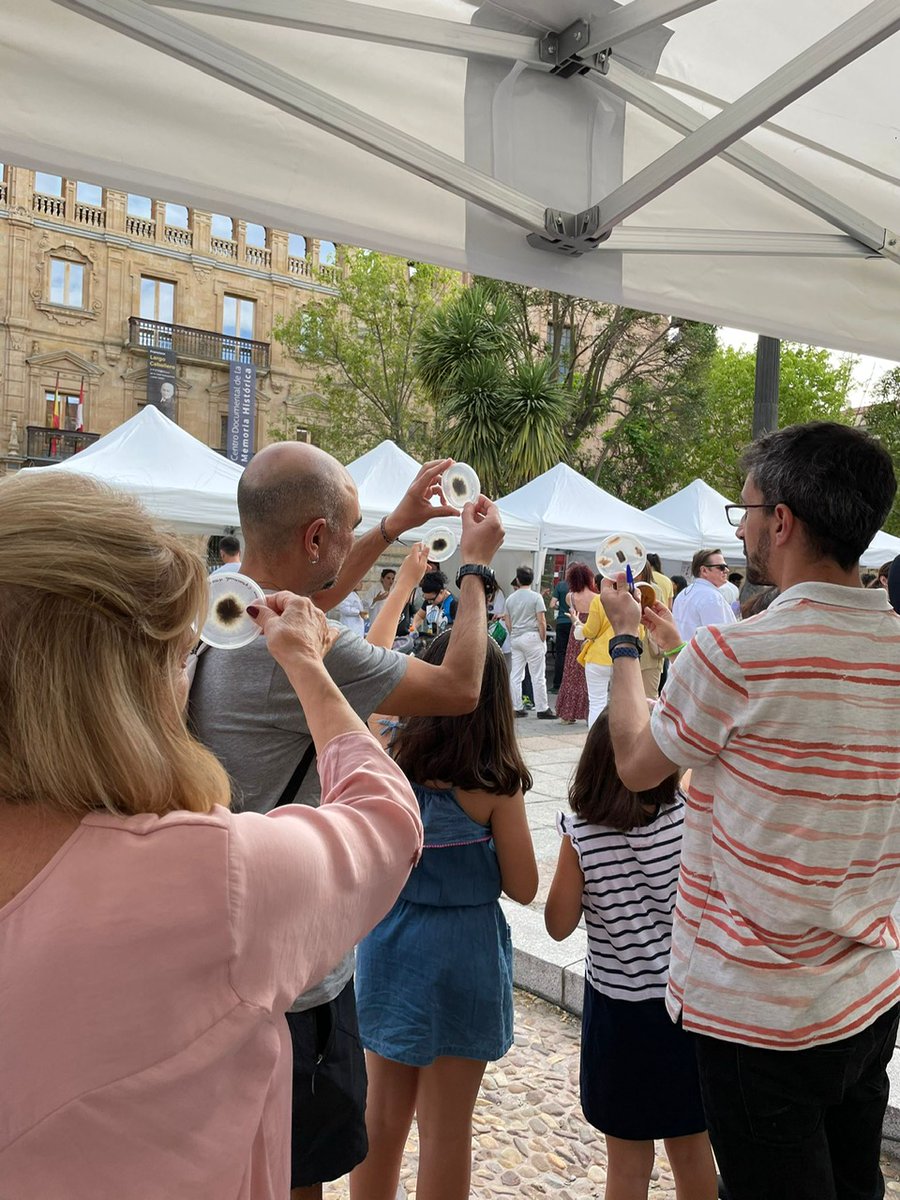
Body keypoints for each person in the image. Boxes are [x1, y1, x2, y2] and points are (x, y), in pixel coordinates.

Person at [0, 471, 425, 1200]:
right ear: (117, 681)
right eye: (173, 655)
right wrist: (307, 666)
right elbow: (388, 819)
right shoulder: (210, 875)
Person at [190, 442, 504, 1200]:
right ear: (315, 536)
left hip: (216, 951)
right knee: (297, 1175)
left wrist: (394, 523)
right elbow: (461, 686)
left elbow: (311, 601)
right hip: (296, 982)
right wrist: (473, 569)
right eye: (351, 525)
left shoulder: (217, 617)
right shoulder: (314, 661)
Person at [599, 421, 900, 1200]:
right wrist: (685, 653)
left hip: (758, 1015)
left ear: (783, 521)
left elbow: (635, 764)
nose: (742, 527)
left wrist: (627, 646)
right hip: (867, 994)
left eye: (747, 509)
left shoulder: (735, 658)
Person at [350, 631, 539, 1200]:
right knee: (447, 1132)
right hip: (466, 955)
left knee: (379, 1122)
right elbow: (525, 886)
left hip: (392, 944)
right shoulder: (495, 785)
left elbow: (372, 675)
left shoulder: (388, 758)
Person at [545, 711, 717, 1200]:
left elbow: (558, 926)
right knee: (692, 1148)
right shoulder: (686, 816)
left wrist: (573, 855)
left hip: (618, 1018)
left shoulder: (582, 835)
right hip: (684, 1008)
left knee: (626, 1162)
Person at [503, 565, 557, 720]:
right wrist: (542, 637)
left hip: (516, 637)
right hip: (532, 636)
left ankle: (516, 706)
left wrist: (513, 631)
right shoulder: (536, 597)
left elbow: (507, 620)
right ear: (532, 580)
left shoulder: (510, 598)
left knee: (516, 674)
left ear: (518, 580)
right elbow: (541, 620)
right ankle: (542, 708)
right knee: (538, 675)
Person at [555, 562, 597, 725]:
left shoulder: (570, 597)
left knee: (571, 673)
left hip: (576, 635)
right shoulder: (597, 598)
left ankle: (568, 713)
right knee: (589, 675)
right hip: (592, 635)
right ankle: (589, 713)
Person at [671, 548, 738, 641]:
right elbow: (720, 638)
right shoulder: (711, 597)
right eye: (721, 567)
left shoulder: (683, 594)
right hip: (702, 654)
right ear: (704, 571)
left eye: (726, 566)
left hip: (685, 652)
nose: (726, 570)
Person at [411, 570, 457, 642]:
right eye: (426, 599)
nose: (429, 602)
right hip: (430, 639)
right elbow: (419, 616)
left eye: (432, 600)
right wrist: (413, 628)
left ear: (441, 592)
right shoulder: (429, 600)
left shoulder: (453, 604)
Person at [550, 570, 573, 692]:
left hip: (562, 621)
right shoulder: (579, 586)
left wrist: (561, 607)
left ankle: (557, 684)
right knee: (574, 654)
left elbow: (552, 604)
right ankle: (570, 684)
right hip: (574, 622)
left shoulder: (560, 586)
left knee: (560, 653)